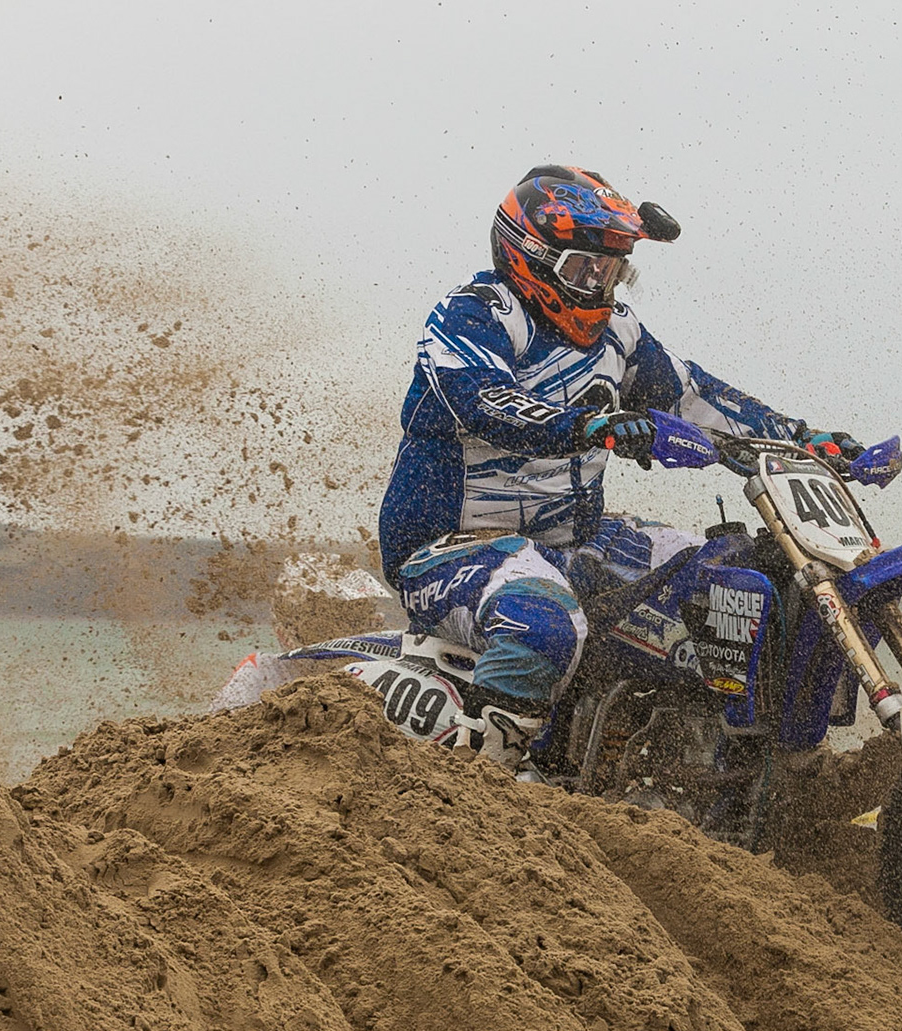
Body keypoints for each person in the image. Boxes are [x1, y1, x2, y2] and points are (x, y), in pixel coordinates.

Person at [377, 165, 862, 772]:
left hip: (573, 539)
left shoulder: (617, 332)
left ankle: (759, 764)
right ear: (531, 253)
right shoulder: (475, 314)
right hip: (446, 547)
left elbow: (693, 396)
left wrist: (801, 439)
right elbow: (480, 399)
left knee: (738, 575)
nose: (600, 283)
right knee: (546, 624)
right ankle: (488, 790)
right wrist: (590, 425)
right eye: (585, 268)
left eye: (610, 269)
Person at [209, 552, 398, 712]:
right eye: (330, 619)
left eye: (362, 617)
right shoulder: (264, 670)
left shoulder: (382, 672)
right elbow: (212, 732)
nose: (370, 625)